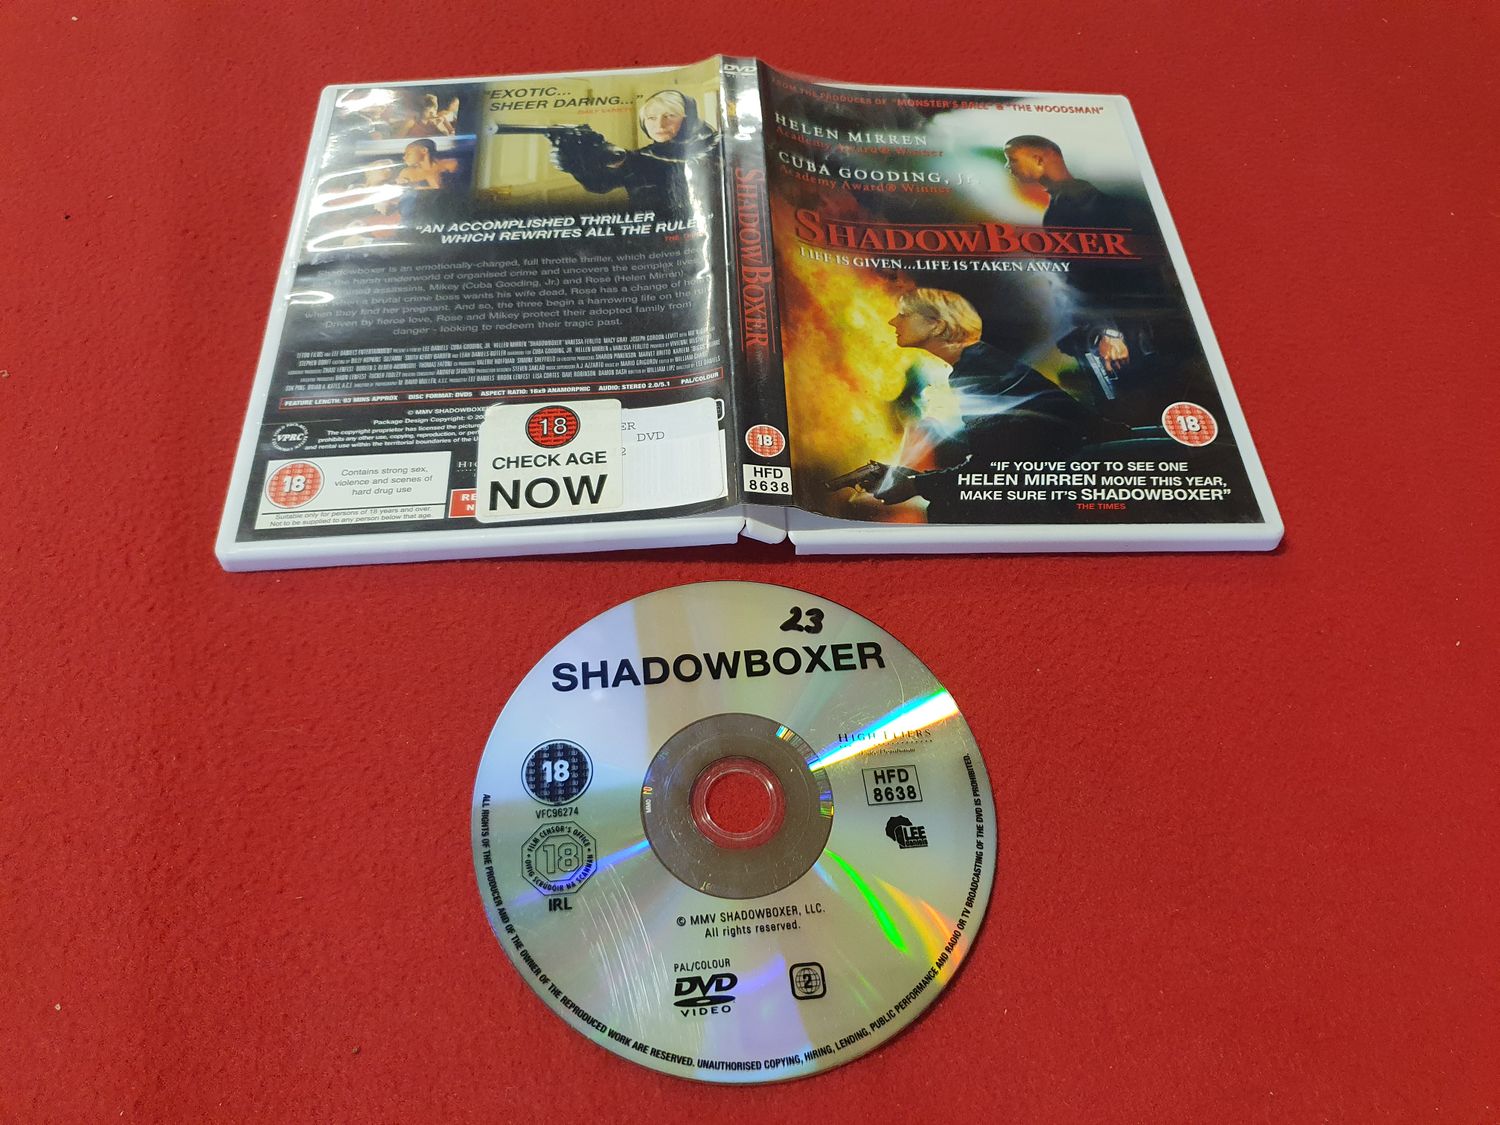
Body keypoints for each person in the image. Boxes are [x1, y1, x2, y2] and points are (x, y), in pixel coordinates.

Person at [852, 289, 1098, 522]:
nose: (893, 322)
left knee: (948, 509)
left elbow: (989, 470)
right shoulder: (978, 360)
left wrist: (915, 485)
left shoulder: (977, 370)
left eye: (904, 314)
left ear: (937, 325)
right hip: (1068, 468)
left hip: (1073, 479)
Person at [552, 89, 720, 219]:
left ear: (688, 119)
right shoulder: (647, 153)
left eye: (670, 116)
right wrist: (577, 165)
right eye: (651, 118)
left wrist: (626, 158)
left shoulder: (714, 144)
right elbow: (602, 185)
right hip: (651, 232)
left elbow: (687, 168)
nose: (660, 125)